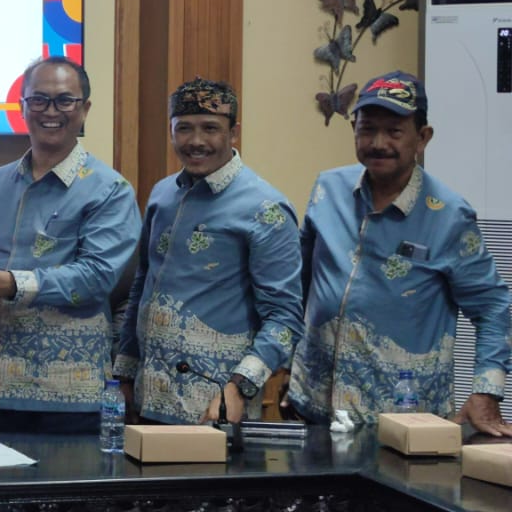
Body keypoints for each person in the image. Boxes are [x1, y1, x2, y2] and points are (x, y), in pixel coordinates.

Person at [285, 71, 512, 435]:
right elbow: (299, 283)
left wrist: (487, 391)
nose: (379, 143)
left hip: (407, 423)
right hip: (313, 410)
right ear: (354, 130)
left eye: (394, 131)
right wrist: (285, 362)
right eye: (367, 129)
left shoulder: (449, 216)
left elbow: (494, 307)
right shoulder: (328, 188)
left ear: (423, 137)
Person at [0, 56, 141, 434]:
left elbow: (97, 277)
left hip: (70, 396)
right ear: (22, 107)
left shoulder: (110, 190)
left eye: (65, 100)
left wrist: (12, 283)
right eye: (39, 100)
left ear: (85, 109)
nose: (51, 111)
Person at [115, 79, 304, 425]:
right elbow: (142, 285)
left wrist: (239, 388)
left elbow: (285, 318)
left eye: (210, 128)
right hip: (146, 402)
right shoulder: (161, 195)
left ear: (234, 133)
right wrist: (124, 375)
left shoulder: (266, 208)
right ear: (171, 131)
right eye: (184, 128)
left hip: (216, 409)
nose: (196, 141)